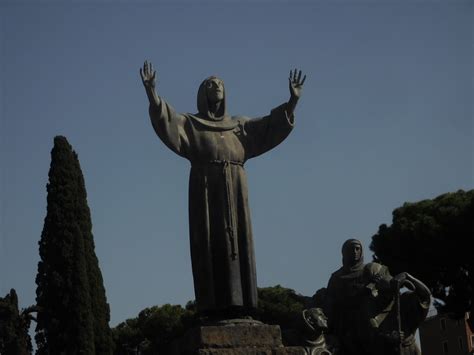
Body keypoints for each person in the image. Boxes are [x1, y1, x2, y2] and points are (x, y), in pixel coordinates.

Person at [140, 61, 306, 318]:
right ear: (202, 93)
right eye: (210, 83)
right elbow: (167, 120)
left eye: (220, 83)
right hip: (205, 191)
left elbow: (270, 127)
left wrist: (292, 102)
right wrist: (152, 93)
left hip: (236, 191)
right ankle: (212, 309)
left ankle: (243, 307)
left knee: (238, 243)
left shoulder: (240, 126)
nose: (216, 86)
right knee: (208, 244)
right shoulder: (191, 124)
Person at [367, 272, 431, 355]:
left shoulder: (404, 302)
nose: (387, 296)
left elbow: (425, 296)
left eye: (390, 292)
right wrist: (388, 338)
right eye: (383, 292)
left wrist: (408, 277)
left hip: (409, 350)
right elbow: (368, 336)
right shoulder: (372, 309)